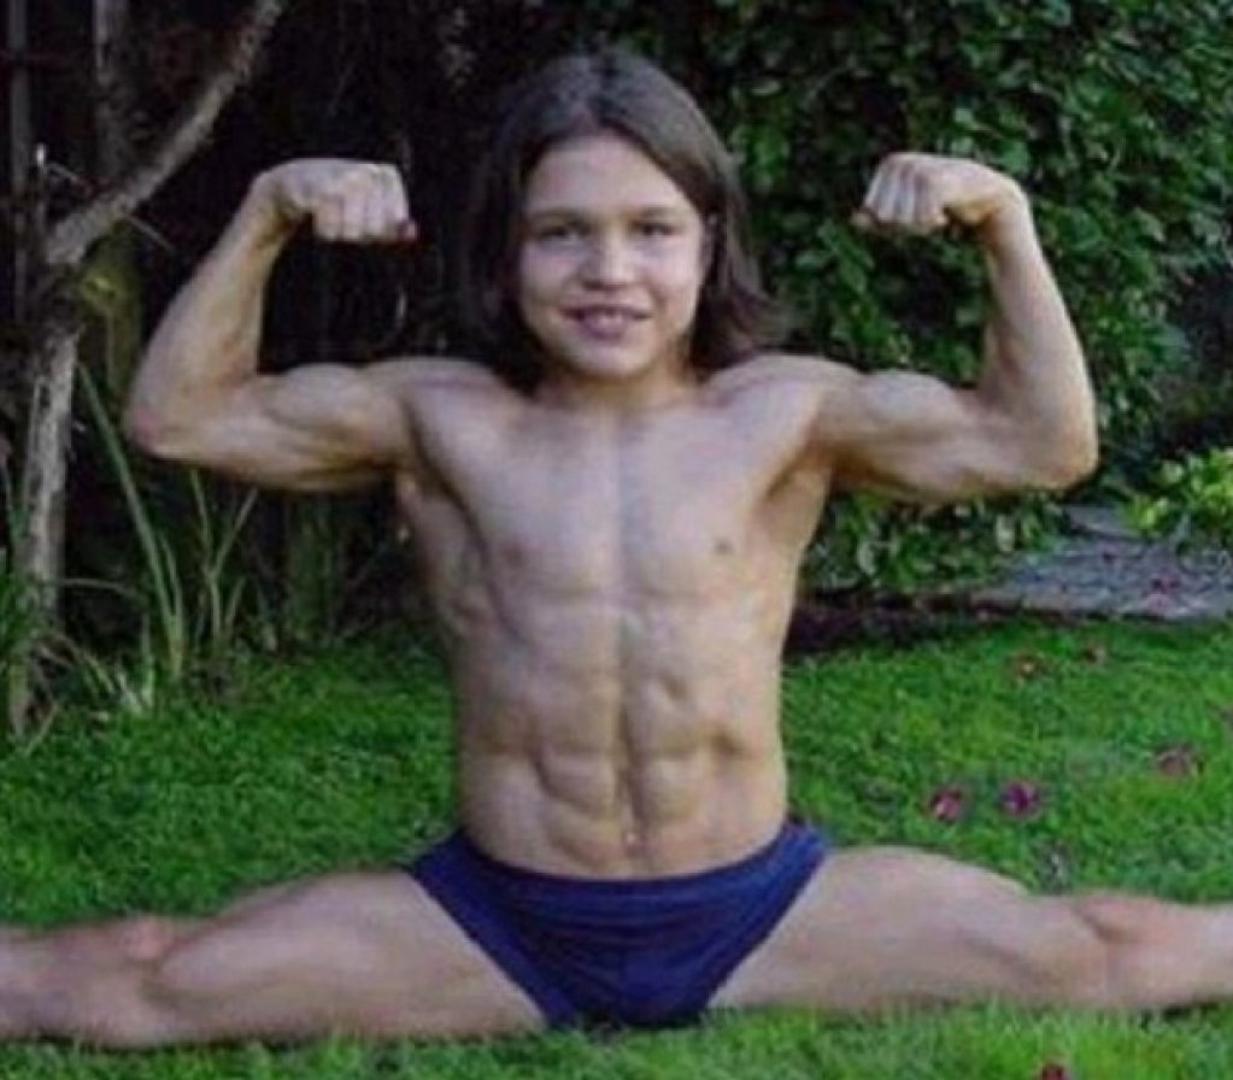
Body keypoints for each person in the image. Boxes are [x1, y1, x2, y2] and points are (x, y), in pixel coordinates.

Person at [4, 48, 1223, 1049]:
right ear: (508, 250)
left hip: (765, 912)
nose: (611, 272)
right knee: (141, 980)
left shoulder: (788, 414)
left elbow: (1042, 443)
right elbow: (180, 416)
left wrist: (1004, 222)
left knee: (1104, 950)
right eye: (564, 234)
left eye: (651, 230)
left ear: (708, 244)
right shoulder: (437, 418)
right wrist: (270, 211)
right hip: (496, 924)